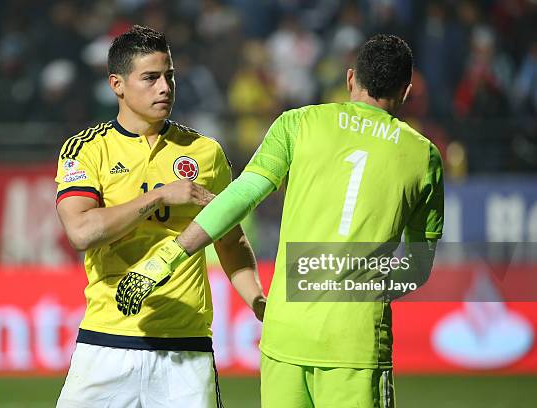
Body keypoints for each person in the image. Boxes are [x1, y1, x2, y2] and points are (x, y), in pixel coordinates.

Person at [118, 34, 444, 408]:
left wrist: (168, 257)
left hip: (286, 332)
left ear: (351, 79)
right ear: (406, 90)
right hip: (355, 342)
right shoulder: (424, 156)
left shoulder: (299, 123)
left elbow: (240, 197)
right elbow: (418, 266)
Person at [54, 25, 265, 408]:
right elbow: (82, 231)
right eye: (150, 78)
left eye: (169, 76)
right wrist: (160, 196)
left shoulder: (205, 152)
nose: (165, 87)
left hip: (185, 351)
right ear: (117, 85)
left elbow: (231, 242)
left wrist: (257, 302)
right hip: (105, 343)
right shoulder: (86, 149)